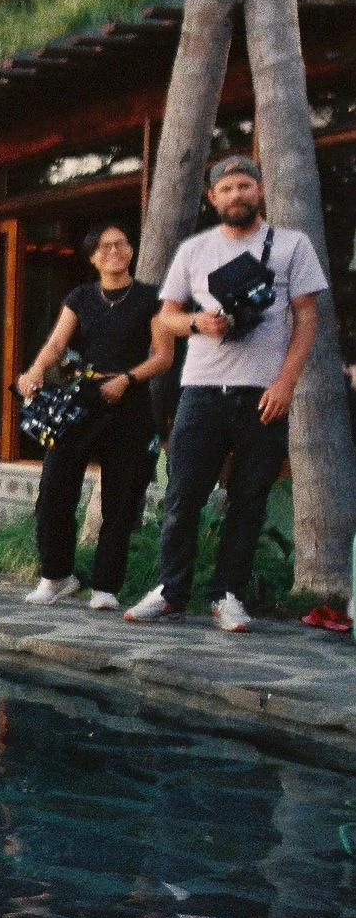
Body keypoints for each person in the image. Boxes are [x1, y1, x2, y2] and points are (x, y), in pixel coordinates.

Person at [126, 156, 330, 631]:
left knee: (249, 500)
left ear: (259, 190)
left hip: (264, 394)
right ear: (212, 198)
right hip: (201, 391)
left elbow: (307, 319)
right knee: (181, 498)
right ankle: (171, 590)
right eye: (227, 188)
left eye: (244, 185)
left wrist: (285, 384)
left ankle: (228, 595)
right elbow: (166, 317)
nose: (236, 194)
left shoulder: (292, 245)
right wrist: (199, 322)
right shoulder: (195, 250)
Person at [11, 221, 173, 611]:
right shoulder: (80, 297)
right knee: (54, 490)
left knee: (121, 496)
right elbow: (55, 344)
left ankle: (106, 587)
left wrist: (128, 378)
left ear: (131, 250)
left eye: (119, 244)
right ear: (92, 257)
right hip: (83, 400)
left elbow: (163, 356)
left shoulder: (152, 297)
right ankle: (57, 575)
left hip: (129, 401)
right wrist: (33, 371)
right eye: (102, 247)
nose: (112, 251)